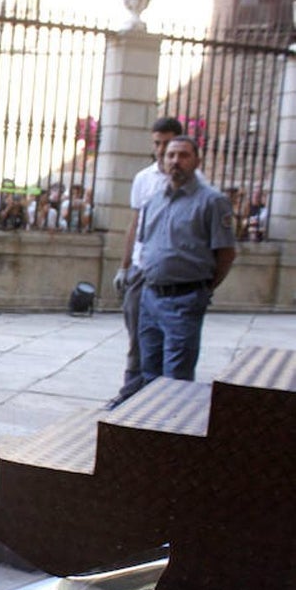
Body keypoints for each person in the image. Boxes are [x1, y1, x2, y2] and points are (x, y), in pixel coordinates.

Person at [137, 135, 235, 384]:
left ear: (196, 161)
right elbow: (145, 243)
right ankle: (147, 421)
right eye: (171, 155)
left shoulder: (212, 201)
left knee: (176, 378)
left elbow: (225, 253)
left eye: (183, 155)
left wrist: (204, 289)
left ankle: (172, 422)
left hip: (184, 298)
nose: (176, 161)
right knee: (148, 371)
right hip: (150, 296)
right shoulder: (153, 201)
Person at [107, 117, 187, 409]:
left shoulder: (195, 186)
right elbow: (135, 224)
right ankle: (131, 390)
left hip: (176, 273)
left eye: (168, 143)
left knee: (174, 342)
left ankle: (167, 398)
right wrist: (124, 265)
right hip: (143, 267)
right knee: (138, 333)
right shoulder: (145, 179)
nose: (163, 150)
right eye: (158, 144)